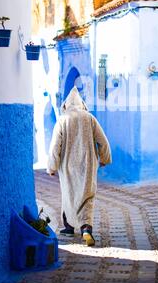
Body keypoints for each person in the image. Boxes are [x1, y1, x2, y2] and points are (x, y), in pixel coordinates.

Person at [47, 86, 111, 246]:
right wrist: (104, 158)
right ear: (82, 104)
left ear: (66, 105)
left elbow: (55, 145)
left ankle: (68, 227)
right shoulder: (89, 118)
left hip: (67, 165)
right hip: (88, 164)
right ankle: (86, 229)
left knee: (69, 195)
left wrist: (52, 167)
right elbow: (103, 141)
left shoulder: (62, 120)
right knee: (87, 195)